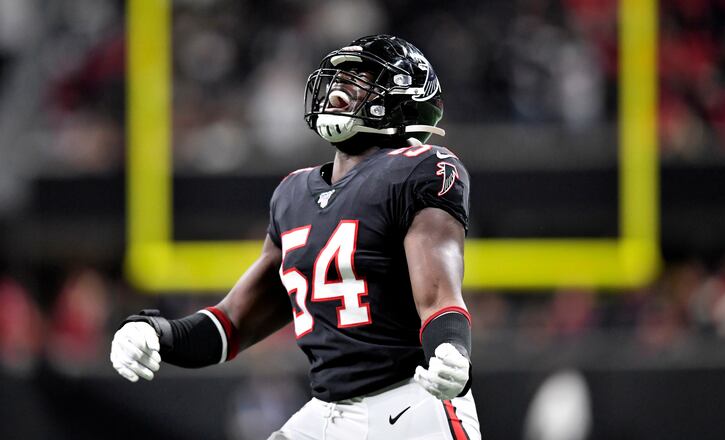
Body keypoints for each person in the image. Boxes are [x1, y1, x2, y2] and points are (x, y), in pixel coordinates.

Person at [111, 34, 480, 440]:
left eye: (362, 77)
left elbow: (440, 296)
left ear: (403, 97)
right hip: (327, 412)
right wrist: (156, 334)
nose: (341, 86)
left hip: (410, 405)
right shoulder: (294, 194)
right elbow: (231, 324)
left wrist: (451, 349)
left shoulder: (421, 169)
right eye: (340, 76)